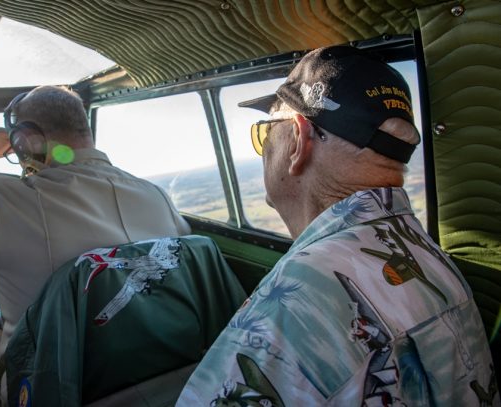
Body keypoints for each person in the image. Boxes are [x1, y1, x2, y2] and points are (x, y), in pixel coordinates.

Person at [177, 46, 499, 406]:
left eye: (266, 134)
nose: (264, 148)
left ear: (298, 141)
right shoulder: (429, 257)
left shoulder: (296, 300)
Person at [0, 86, 191, 389]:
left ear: (25, 139)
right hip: (161, 377)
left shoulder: (3, 202)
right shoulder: (157, 197)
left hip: (57, 389)